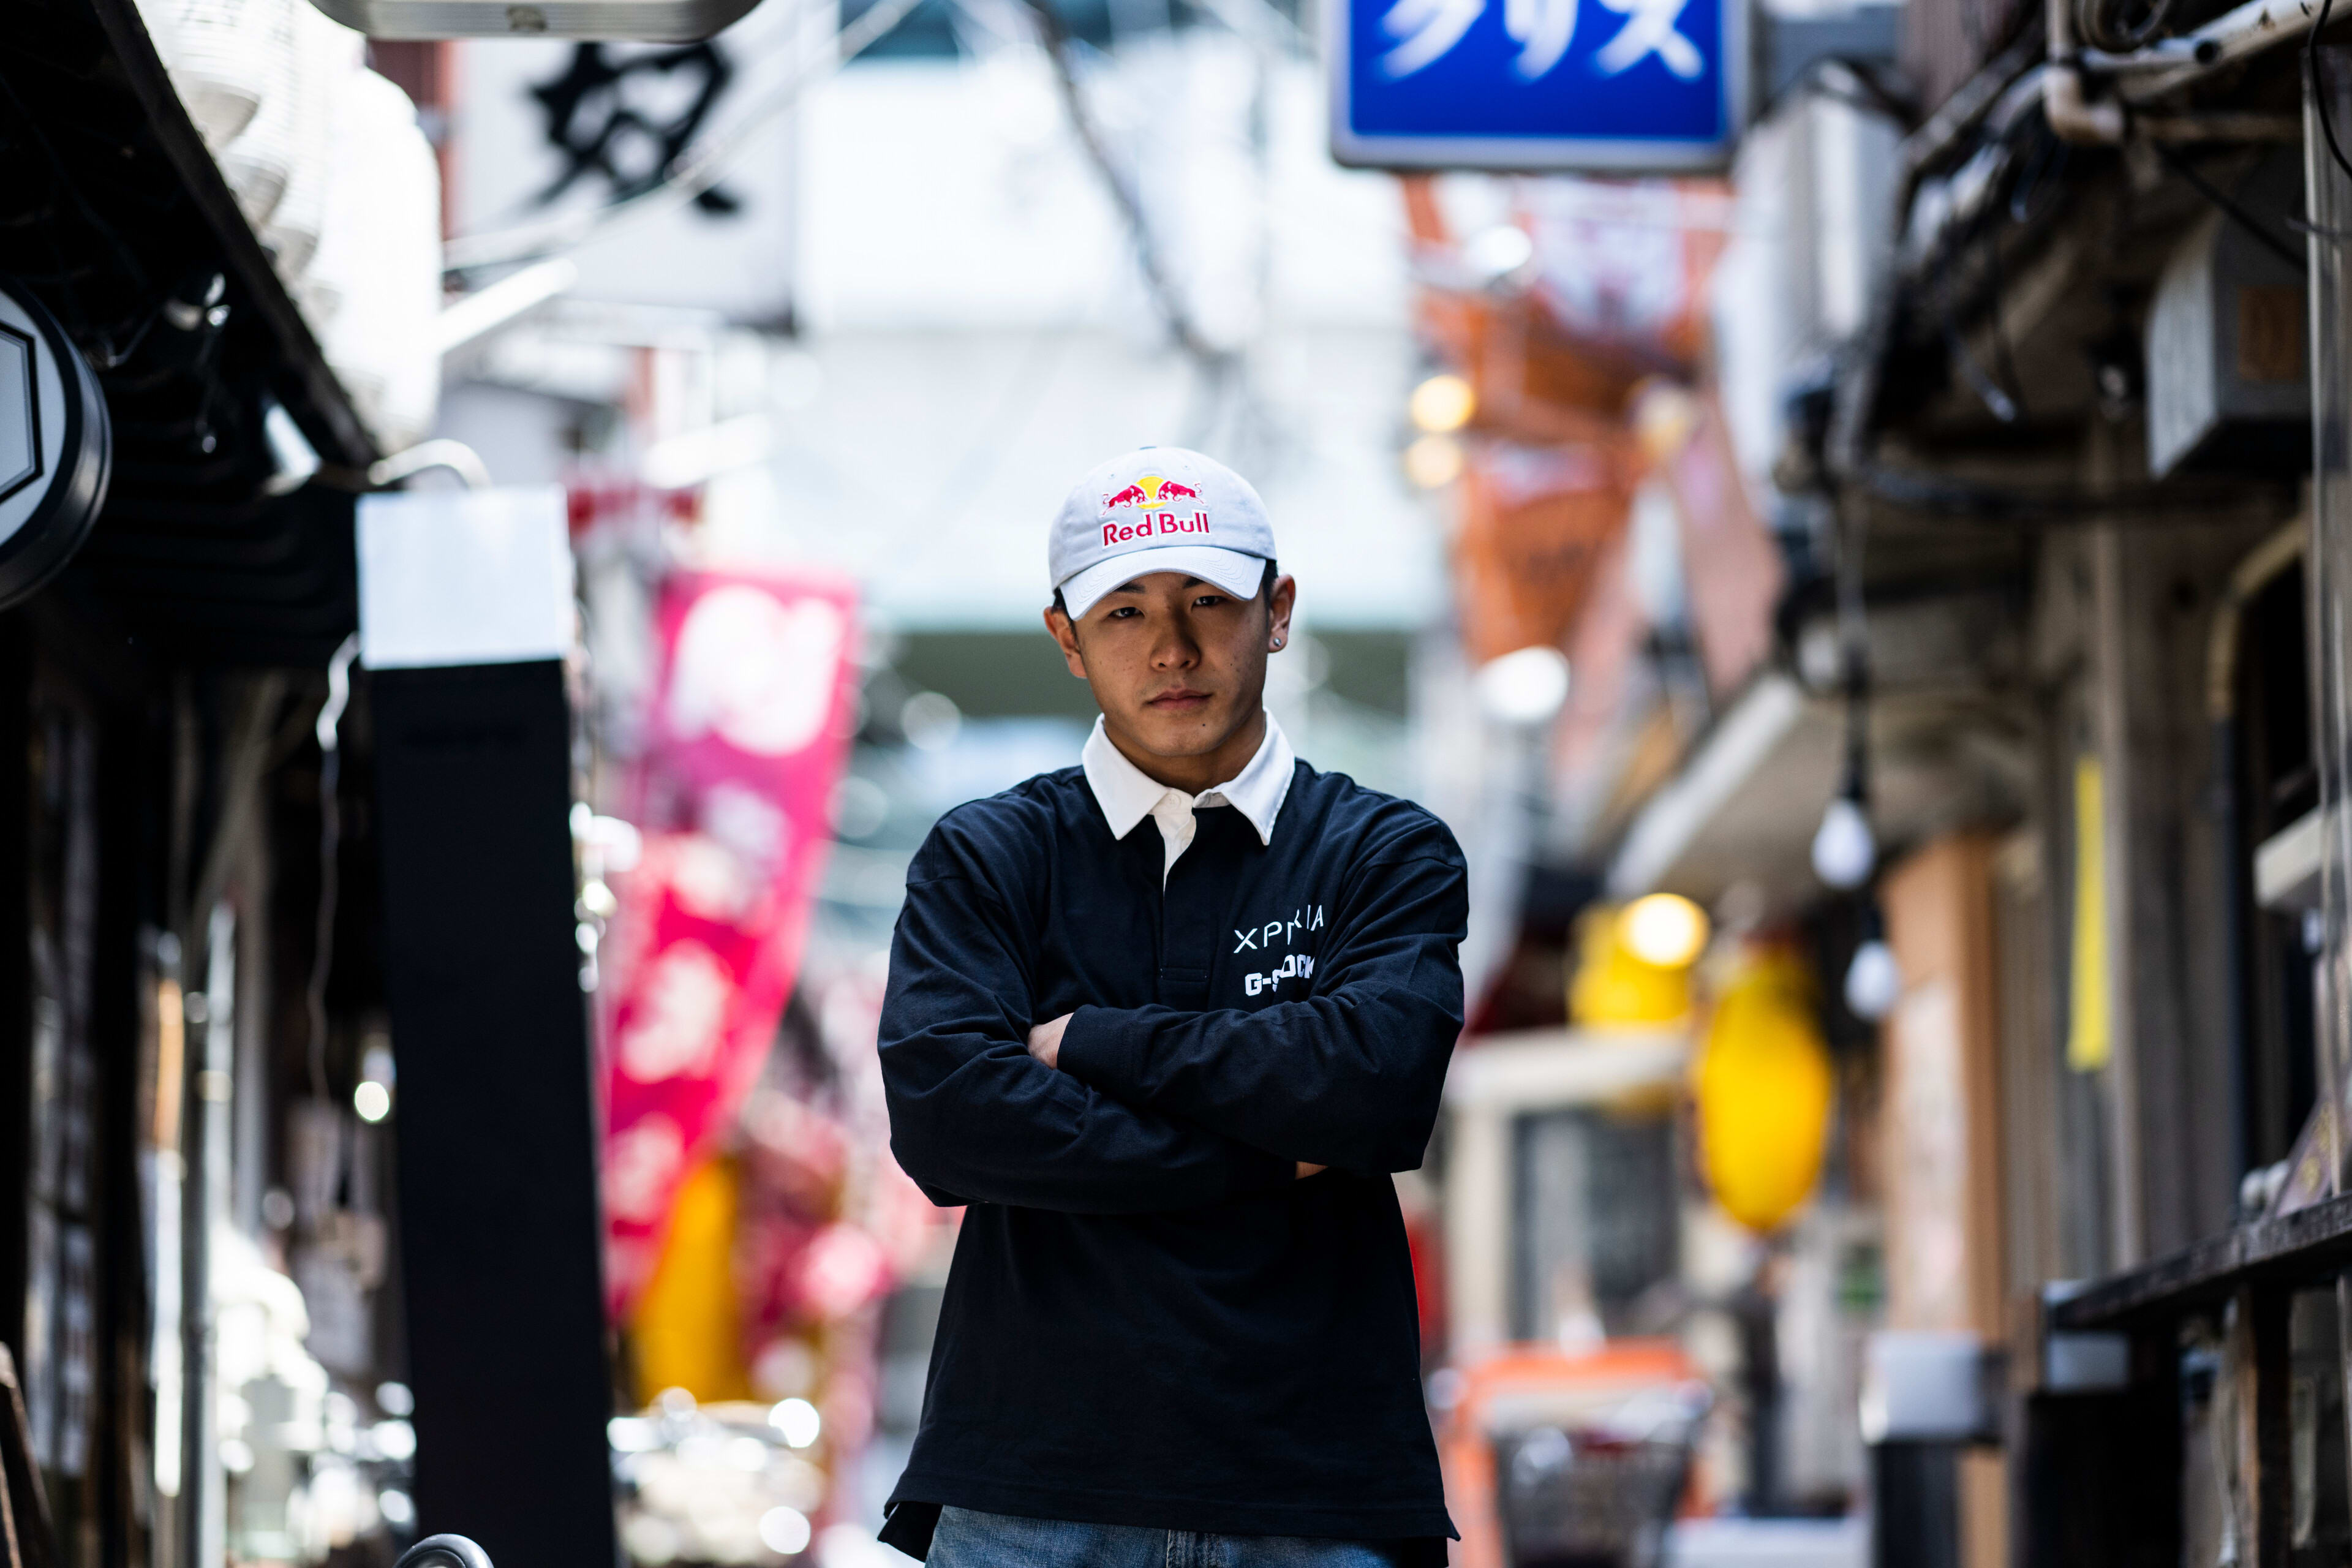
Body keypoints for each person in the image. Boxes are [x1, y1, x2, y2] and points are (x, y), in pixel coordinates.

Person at [876, 446, 1468, 1568]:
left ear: (1276, 611)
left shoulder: (1384, 852)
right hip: (1028, 1495)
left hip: (1322, 1496)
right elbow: (952, 1124)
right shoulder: (989, 856)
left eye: (1207, 601)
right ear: (1066, 638)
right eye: (1125, 611)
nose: (1171, 647)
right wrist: (1272, 1149)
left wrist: (1093, 1040)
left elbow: (1374, 1091)